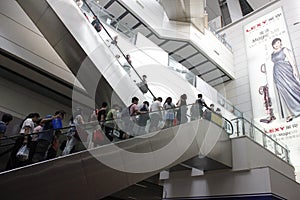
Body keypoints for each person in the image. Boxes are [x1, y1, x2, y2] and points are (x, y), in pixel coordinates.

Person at [271, 38, 300, 122]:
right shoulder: (272, 54)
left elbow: (290, 60)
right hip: (277, 73)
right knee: (284, 93)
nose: (277, 44)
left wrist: (294, 69)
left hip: (286, 70)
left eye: (279, 42)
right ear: (273, 45)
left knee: (294, 87)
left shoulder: (284, 49)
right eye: (276, 43)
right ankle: (290, 114)